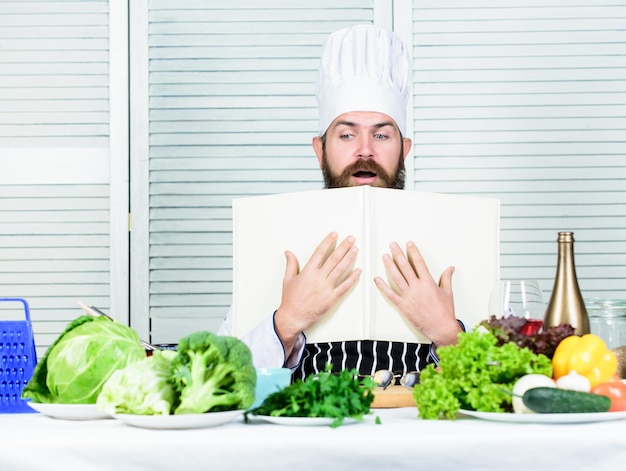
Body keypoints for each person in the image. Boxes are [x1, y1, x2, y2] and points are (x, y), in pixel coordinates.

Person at [218, 24, 464, 381]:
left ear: (404, 151)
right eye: (347, 134)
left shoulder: (455, 237)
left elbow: (507, 385)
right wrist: (287, 321)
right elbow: (219, 380)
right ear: (320, 151)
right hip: (309, 434)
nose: (365, 150)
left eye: (381, 134)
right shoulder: (277, 241)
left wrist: (448, 334)